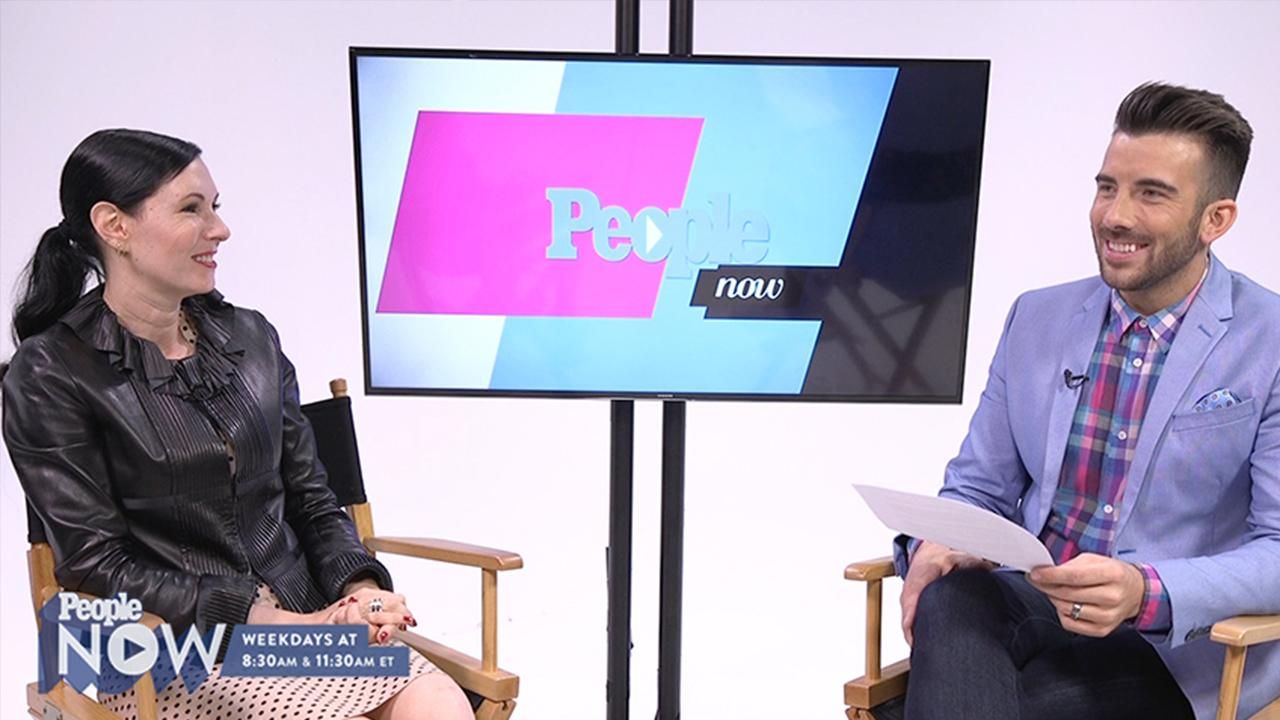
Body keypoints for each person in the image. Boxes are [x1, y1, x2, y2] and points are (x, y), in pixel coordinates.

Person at [2, 129, 474, 720]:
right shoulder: (50, 372)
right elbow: (97, 563)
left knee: (439, 704)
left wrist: (361, 595)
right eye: (191, 209)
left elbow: (313, 500)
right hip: (171, 646)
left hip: (310, 620)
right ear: (114, 226)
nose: (219, 229)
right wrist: (273, 620)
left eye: (215, 207)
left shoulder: (251, 338)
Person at [895, 83, 1280, 720]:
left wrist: (1145, 591)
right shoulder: (1036, 317)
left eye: (1151, 193)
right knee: (953, 596)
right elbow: (978, 488)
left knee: (978, 704)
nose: (1114, 216)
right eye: (1107, 187)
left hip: (1174, 650)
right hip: (1035, 604)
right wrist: (941, 541)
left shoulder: (1270, 338)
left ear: (1216, 219)